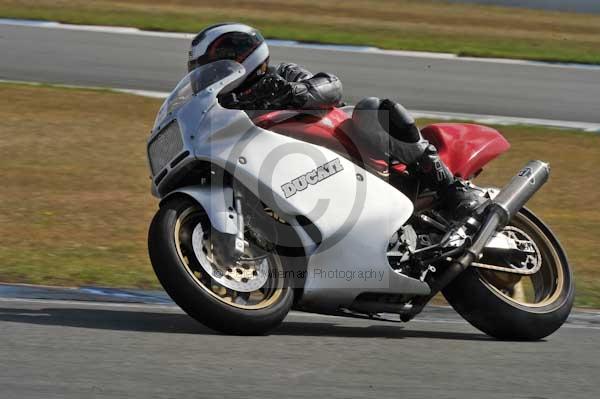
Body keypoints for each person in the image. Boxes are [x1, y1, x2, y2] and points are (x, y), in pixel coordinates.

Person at [188, 23, 477, 210]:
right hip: (301, 179)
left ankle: (447, 185)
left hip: (356, 151)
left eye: (214, 65)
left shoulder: (281, 74)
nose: (211, 74)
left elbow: (331, 87)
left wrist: (293, 92)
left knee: (373, 109)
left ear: (241, 56)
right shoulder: (226, 106)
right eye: (203, 68)